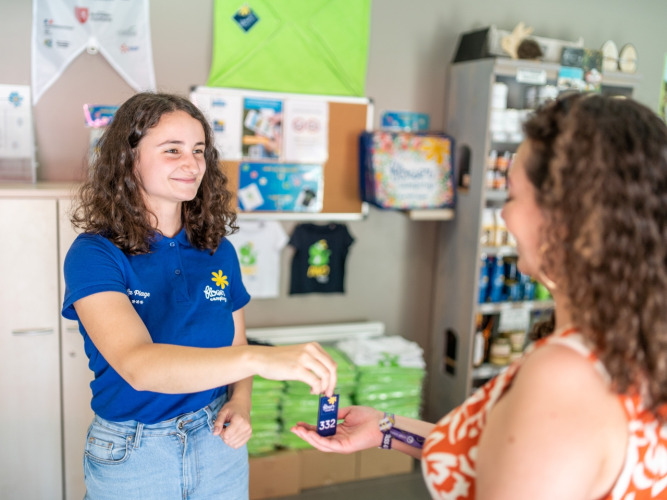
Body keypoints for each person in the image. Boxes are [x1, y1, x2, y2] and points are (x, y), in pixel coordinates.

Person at [292, 93, 667, 499]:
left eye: (512, 197)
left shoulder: (563, 377)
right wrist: (387, 428)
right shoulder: (634, 345)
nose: (503, 216)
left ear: (564, 216)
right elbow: (506, 457)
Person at [62, 92, 337, 500]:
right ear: (128, 158)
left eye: (198, 150)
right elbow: (139, 366)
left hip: (215, 440)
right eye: (172, 150)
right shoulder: (95, 253)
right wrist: (263, 359)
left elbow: (235, 341)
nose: (192, 164)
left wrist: (241, 400)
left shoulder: (216, 247)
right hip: (135, 452)